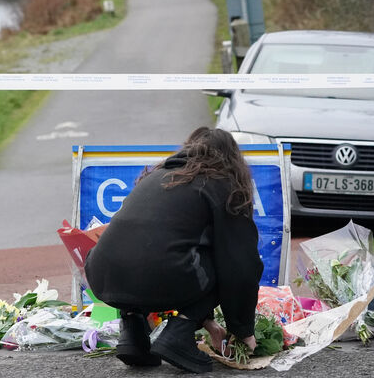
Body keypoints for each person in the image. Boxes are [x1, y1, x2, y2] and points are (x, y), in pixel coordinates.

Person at [84, 127, 263, 373]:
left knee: (143, 253)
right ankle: (178, 335)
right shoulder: (222, 185)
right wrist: (242, 331)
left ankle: (133, 335)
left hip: (102, 275)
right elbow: (241, 265)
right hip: (159, 274)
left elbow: (149, 246)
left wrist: (210, 324)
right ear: (232, 158)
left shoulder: (154, 177)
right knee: (224, 258)